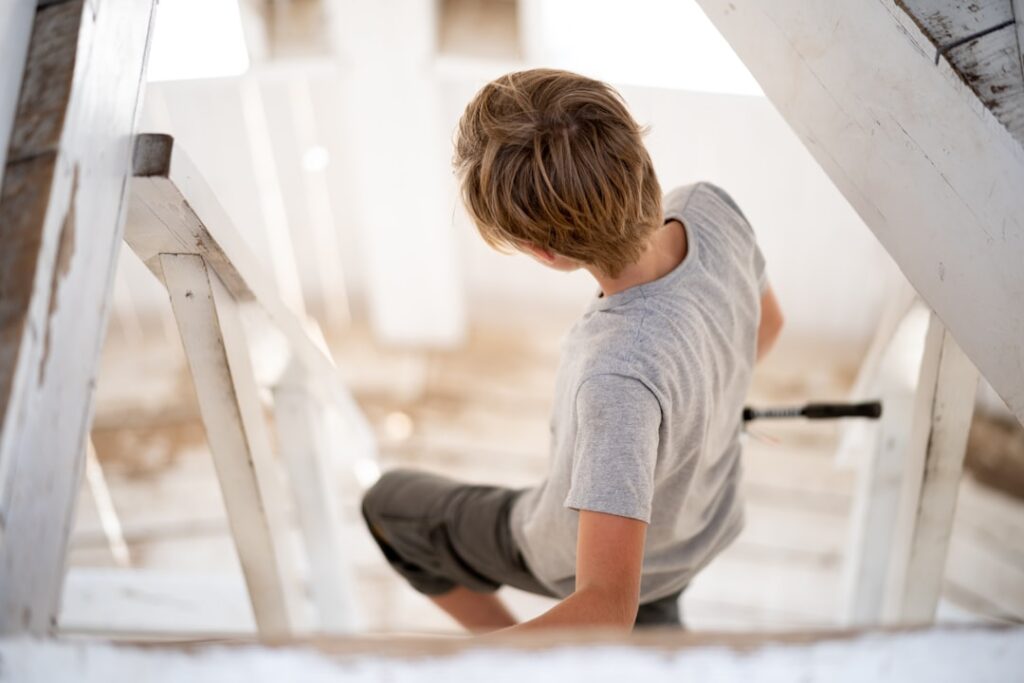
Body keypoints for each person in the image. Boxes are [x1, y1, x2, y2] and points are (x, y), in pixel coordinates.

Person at [361, 68, 784, 633]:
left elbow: (606, 607)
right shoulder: (711, 208)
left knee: (390, 507)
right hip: (696, 530)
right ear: (637, 152)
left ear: (544, 253)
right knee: (650, 609)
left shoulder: (617, 377)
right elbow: (770, 326)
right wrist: (697, 412)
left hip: (567, 552)